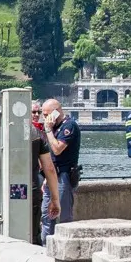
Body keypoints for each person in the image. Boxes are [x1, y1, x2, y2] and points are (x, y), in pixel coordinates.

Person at [40, 99, 81, 245]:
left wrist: (48, 131)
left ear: (56, 112)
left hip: (64, 175)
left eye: (46, 115)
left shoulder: (69, 126)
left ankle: (65, 246)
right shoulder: (54, 127)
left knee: (63, 215)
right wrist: (46, 177)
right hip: (52, 175)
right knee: (46, 214)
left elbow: (57, 149)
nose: (44, 118)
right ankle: (46, 246)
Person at [30, 109, 61, 245]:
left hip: (6, 190)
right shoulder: (37, 135)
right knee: (33, 232)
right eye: (33, 111)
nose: (37, 115)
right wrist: (55, 199)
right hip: (30, 188)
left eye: (39, 112)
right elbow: (49, 168)